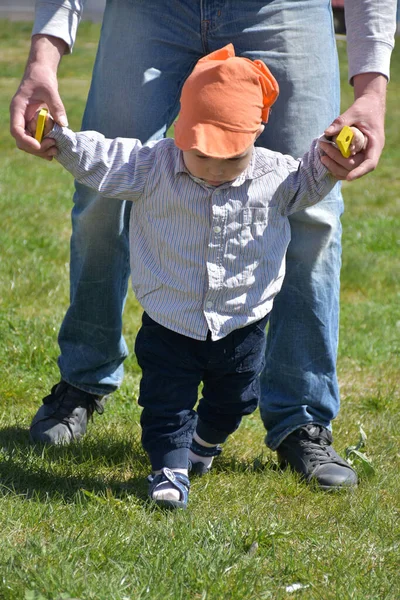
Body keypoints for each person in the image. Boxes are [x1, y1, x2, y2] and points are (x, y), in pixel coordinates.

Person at [10, 1, 396, 491]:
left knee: (315, 205)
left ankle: (301, 416)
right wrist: (43, 56)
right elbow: (104, 162)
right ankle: (83, 380)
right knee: (100, 196)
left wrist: (373, 88)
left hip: (281, 7)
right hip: (148, 10)